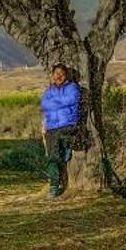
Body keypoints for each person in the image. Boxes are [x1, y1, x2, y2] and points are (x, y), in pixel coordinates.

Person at [38, 63, 82, 197]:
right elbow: (44, 104)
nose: (59, 76)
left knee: (55, 150)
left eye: (62, 74)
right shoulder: (48, 91)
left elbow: (72, 99)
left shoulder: (73, 88)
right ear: (52, 75)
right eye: (56, 73)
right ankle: (54, 183)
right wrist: (61, 102)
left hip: (68, 124)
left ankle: (54, 185)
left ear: (66, 75)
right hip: (52, 127)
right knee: (52, 154)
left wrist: (55, 103)